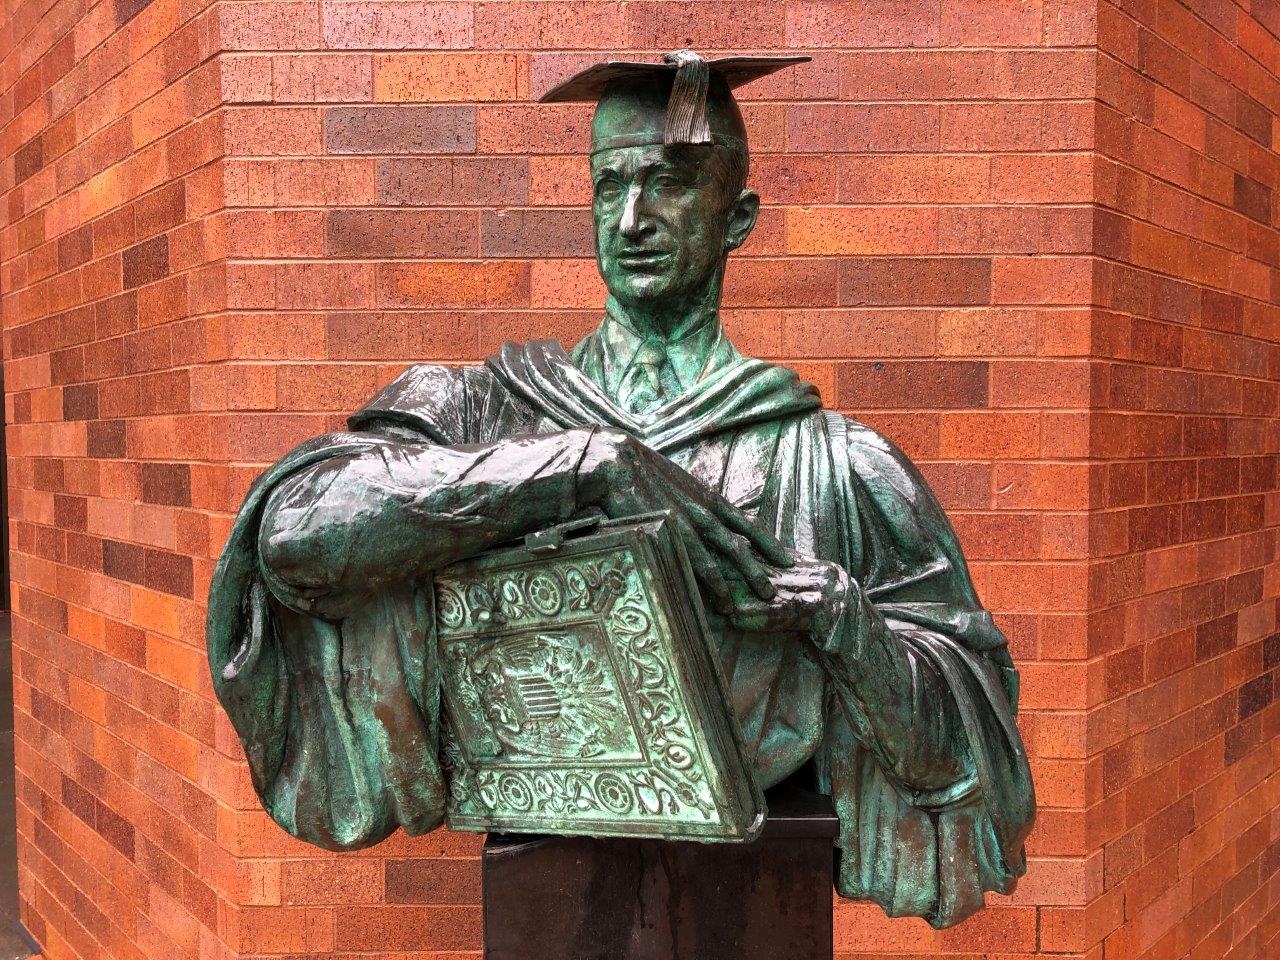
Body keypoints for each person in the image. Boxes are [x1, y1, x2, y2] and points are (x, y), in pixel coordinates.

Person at [207, 50, 1034, 928]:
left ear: (738, 218)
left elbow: (972, 762)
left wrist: (851, 633)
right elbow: (294, 535)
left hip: (750, 890)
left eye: (671, 182)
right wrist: (580, 465)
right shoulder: (491, 412)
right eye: (611, 185)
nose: (633, 216)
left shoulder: (833, 467)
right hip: (552, 878)